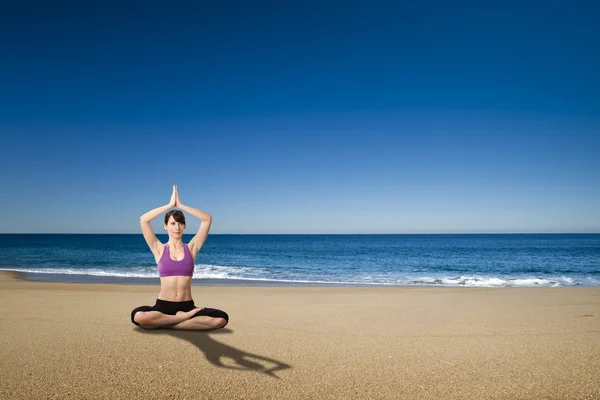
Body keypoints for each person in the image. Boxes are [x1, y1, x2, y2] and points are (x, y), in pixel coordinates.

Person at [131, 185, 229, 330]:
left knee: (221, 319)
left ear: (184, 226)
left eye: (180, 223)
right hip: (162, 305)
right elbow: (143, 220)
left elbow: (207, 219)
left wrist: (181, 206)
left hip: (187, 306)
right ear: (165, 226)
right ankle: (180, 320)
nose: (177, 227)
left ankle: (171, 323)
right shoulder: (158, 249)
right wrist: (170, 205)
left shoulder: (191, 248)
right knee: (138, 316)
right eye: (173, 223)